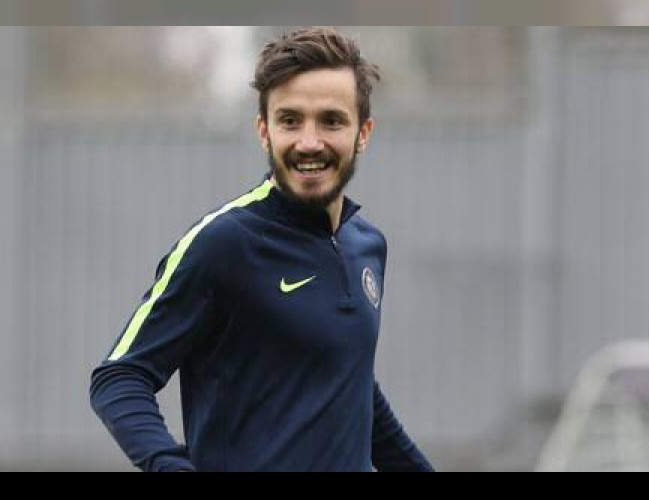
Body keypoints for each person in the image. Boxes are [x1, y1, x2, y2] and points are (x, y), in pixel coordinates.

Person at [90, 26, 434, 472]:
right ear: (264, 131)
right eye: (290, 120)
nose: (309, 142)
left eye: (331, 121)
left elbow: (349, 386)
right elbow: (119, 377)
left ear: (363, 133)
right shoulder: (224, 243)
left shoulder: (366, 245)